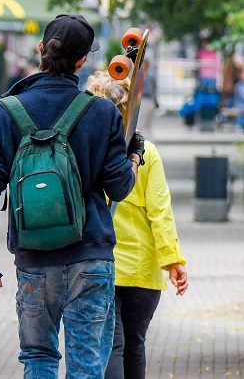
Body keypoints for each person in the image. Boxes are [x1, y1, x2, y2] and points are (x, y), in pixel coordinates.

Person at [0, 14, 142, 377]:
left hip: (34, 258)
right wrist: (134, 156)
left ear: (40, 50)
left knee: (38, 356)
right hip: (89, 257)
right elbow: (120, 188)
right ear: (82, 61)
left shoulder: (3, 112)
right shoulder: (101, 113)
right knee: (85, 366)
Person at [85, 70, 188, 379]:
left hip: (100, 263)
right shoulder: (146, 153)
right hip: (142, 271)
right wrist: (173, 261)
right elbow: (160, 212)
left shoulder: (87, 149)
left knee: (111, 346)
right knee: (135, 346)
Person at [139, 59, 158, 136]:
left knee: (141, 124)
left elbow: (147, 90)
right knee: (148, 125)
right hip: (151, 101)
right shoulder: (152, 75)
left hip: (145, 100)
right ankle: (150, 142)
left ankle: (143, 144)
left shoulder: (144, 76)